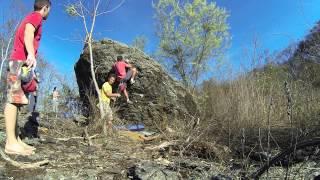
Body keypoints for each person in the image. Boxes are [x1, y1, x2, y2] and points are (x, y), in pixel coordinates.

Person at [4, 0, 51, 156]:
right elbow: (28, 33)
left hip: (19, 63)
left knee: (16, 101)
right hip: (18, 61)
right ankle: (10, 143)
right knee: (13, 100)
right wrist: (31, 54)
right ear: (46, 8)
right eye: (48, 10)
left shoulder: (30, 16)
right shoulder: (35, 17)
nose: (48, 13)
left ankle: (16, 139)